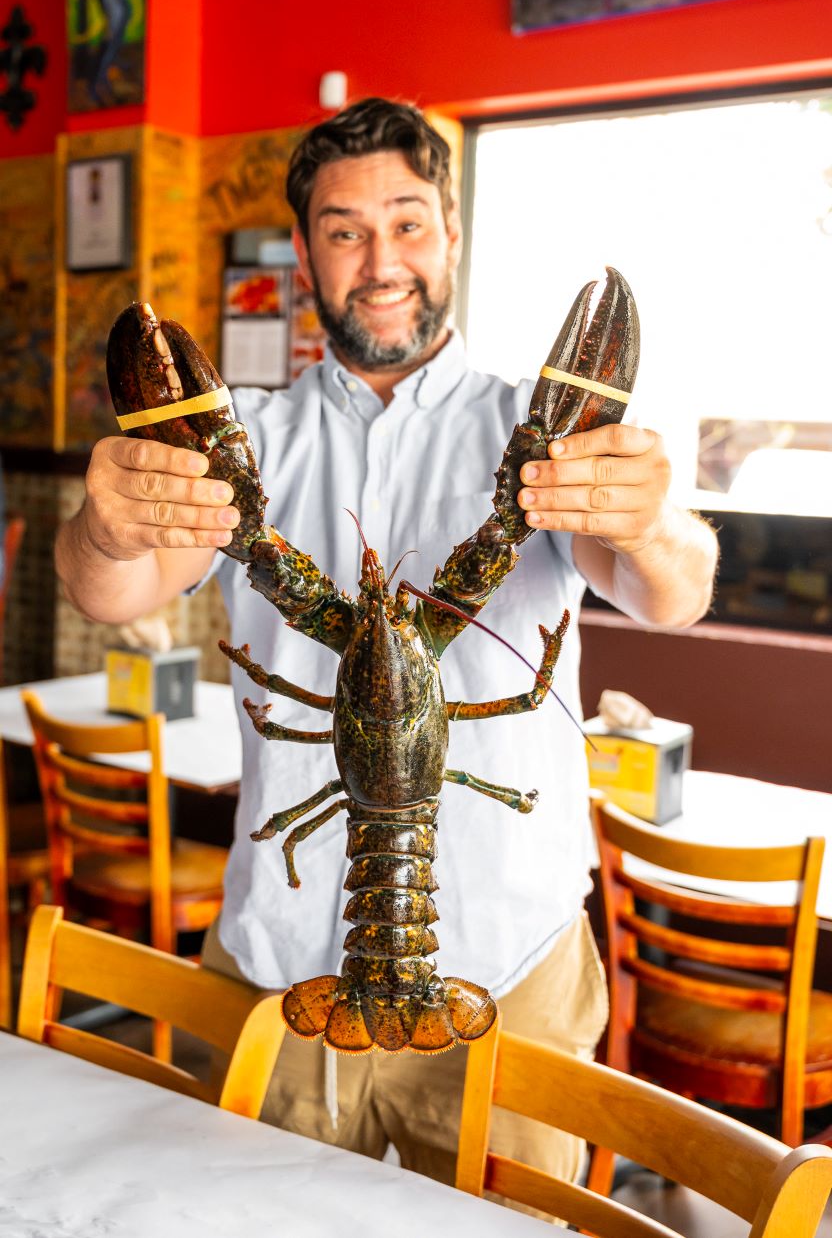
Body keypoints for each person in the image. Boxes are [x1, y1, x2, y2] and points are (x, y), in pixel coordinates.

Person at [56, 98, 718, 1196]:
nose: (380, 259)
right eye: (343, 227)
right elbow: (117, 590)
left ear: (452, 235)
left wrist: (650, 520)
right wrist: (102, 528)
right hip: (277, 968)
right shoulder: (246, 434)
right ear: (306, 248)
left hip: (513, 972)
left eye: (408, 222)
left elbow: (672, 592)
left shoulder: (542, 436)